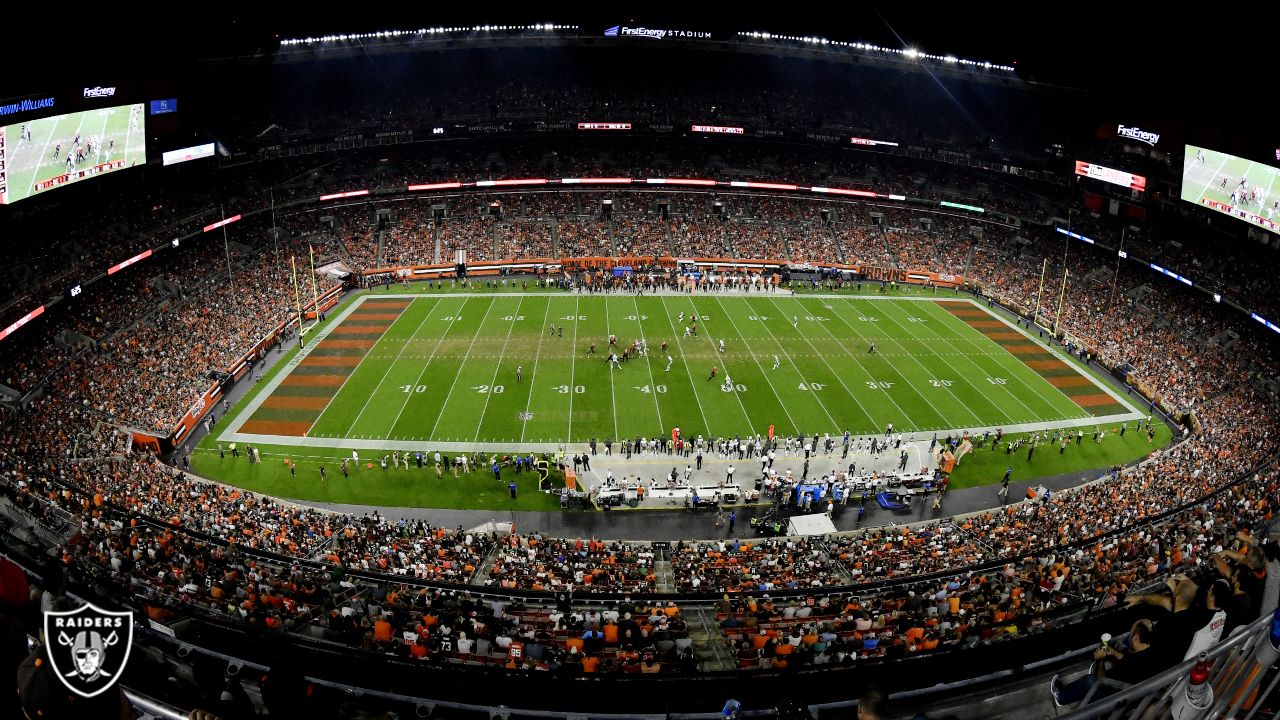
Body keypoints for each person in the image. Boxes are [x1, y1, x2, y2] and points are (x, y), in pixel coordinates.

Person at [1051, 620, 1165, 706]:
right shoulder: (1152, 653)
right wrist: (1114, 652)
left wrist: (1100, 660)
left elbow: (1102, 681)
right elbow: (1129, 660)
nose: (1129, 637)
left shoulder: (1131, 665)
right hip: (1134, 697)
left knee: (1090, 680)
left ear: (1135, 637)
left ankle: (1061, 697)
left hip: (1115, 703)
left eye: (1131, 634)